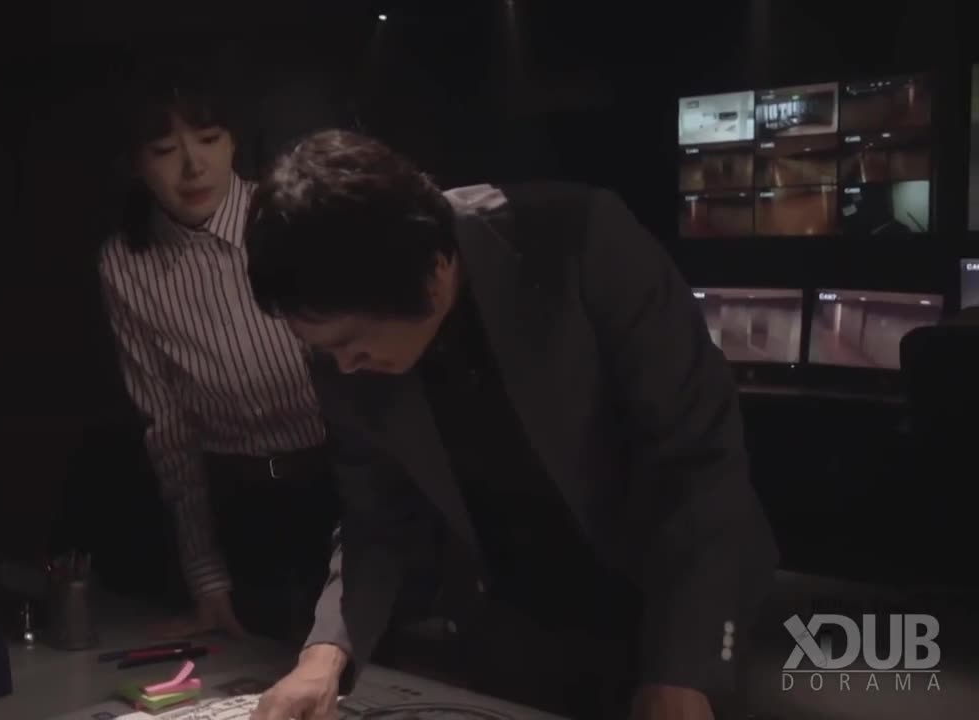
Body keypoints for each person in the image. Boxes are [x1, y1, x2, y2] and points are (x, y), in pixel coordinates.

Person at [243, 130, 779, 719]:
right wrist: (323, 657)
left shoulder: (583, 241)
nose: (344, 366)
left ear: (432, 273)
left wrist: (681, 670)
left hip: (678, 594)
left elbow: (696, 464)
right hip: (517, 616)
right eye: (324, 349)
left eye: (355, 343)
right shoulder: (341, 348)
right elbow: (374, 515)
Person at [96, 56, 335, 642]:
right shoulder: (125, 262)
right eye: (164, 150)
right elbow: (169, 433)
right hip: (239, 505)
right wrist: (207, 578)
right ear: (136, 163)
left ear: (233, 142)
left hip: (341, 483)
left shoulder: (288, 218)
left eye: (208, 139)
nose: (192, 166)